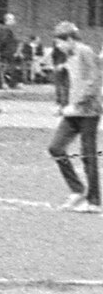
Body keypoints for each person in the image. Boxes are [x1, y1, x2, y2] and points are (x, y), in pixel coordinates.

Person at [47, 22, 102, 212]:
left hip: (89, 111)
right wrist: (63, 104)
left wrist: (76, 104)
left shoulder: (85, 51)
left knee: (88, 155)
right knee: (55, 147)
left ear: (69, 39)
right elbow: (72, 84)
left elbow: (94, 81)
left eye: (60, 43)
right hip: (73, 111)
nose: (59, 47)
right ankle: (77, 190)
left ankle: (94, 201)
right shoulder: (69, 56)